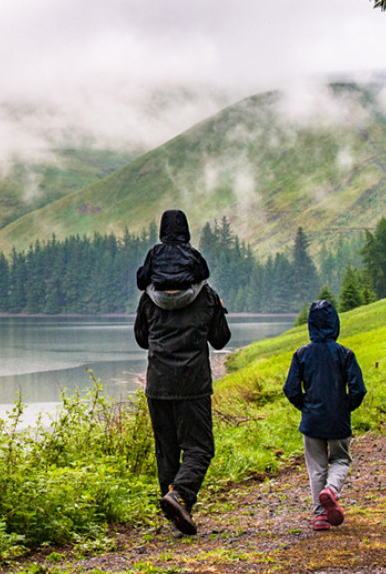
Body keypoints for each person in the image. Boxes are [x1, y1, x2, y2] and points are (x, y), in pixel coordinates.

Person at [134, 209, 231, 536]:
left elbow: (141, 339)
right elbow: (221, 340)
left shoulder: (148, 299)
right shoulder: (206, 296)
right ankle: (179, 496)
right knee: (200, 448)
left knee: (167, 451)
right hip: (193, 384)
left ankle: (176, 514)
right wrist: (215, 312)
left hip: (158, 383)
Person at [283, 299, 367, 532]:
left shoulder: (301, 354)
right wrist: (345, 406)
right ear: (335, 323)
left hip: (312, 420)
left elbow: (290, 389)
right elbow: (358, 388)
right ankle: (331, 490)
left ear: (310, 325)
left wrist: (306, 406)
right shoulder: (345, 354)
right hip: (338, 419)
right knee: (341, 459)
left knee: (316, 468)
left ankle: (320, 517)